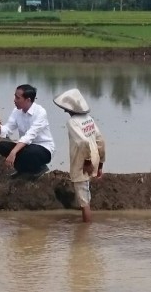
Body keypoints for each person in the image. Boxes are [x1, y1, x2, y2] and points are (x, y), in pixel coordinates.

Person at [53, 88, 106, 222]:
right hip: (95, 156)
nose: (65, 111)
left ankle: (85, 233)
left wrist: (87, 162)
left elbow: (82, 142)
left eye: (66, 109)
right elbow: (100, 141)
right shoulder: (89, 119)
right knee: (85, 191)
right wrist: (100, 164)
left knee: (83, 201)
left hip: (82, 161)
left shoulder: (72, 122)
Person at [0, 84, 54, 180]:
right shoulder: (17, 112)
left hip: (43, 149)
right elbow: (6, 130)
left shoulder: (40, 112)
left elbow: (29, 136)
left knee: (28, 152)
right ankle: (23, 170)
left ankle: (40, 168)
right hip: (27, 147)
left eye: (17, 97)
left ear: (28, 100)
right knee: (2, 146)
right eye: (15, 96)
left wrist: (13, 152)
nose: (14, 100)